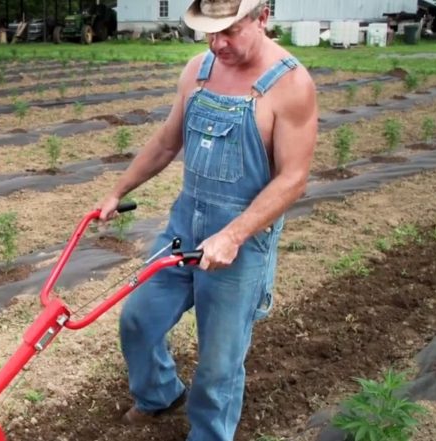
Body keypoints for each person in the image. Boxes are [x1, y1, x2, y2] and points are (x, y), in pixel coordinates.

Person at [95, 0, 318, 439]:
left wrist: (233, 235)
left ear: (263, 18)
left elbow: (293, 180)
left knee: (219, 362)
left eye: (230, 31)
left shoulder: (291, 84)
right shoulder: (198, 69)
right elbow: (166, 141)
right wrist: (117, 191)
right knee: (139, 319)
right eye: (209, 32)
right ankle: (159, 393)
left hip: (241, 239)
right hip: (183, 228)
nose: (218, 43)